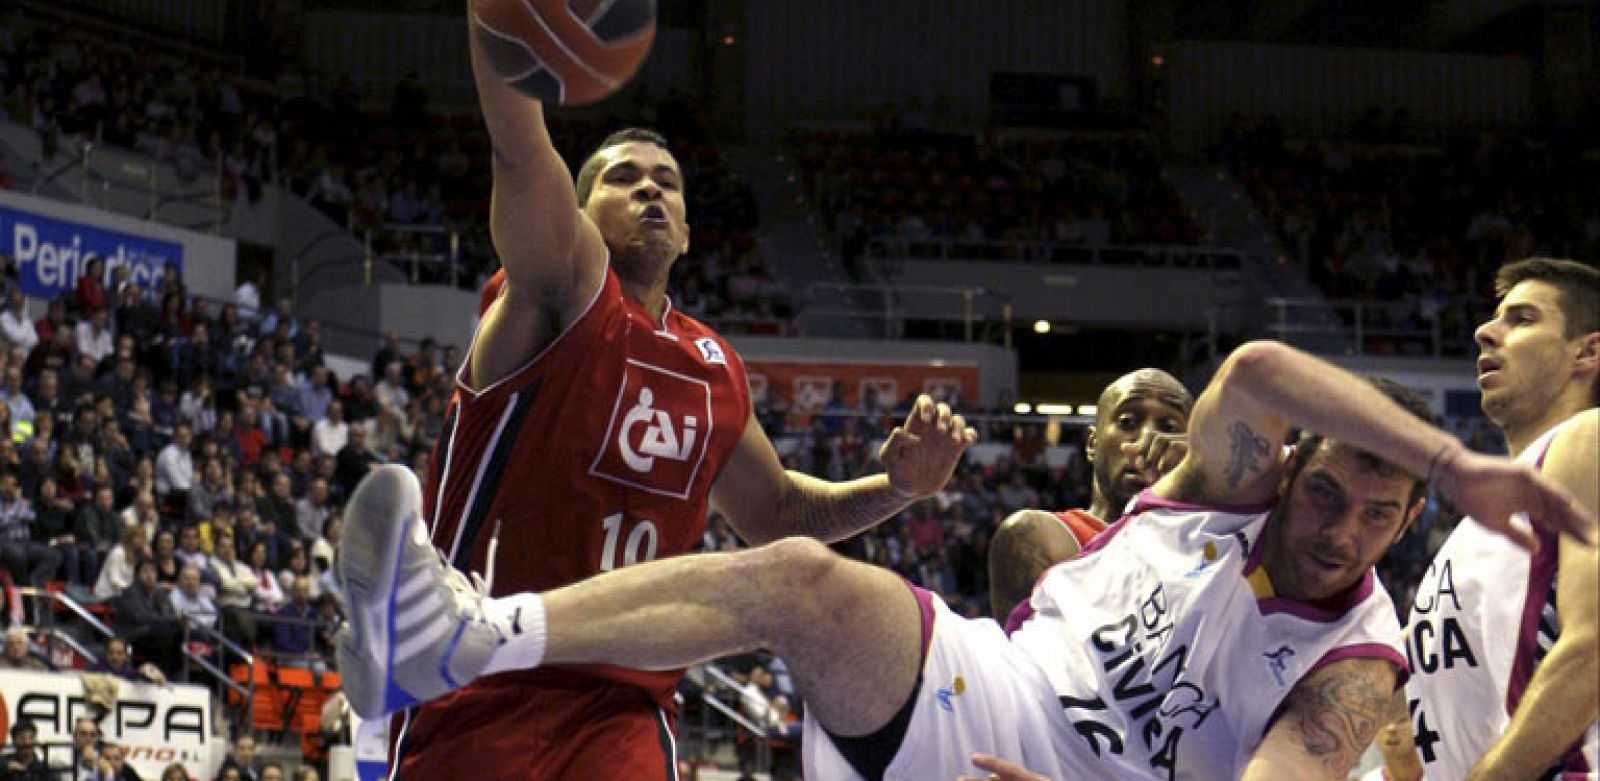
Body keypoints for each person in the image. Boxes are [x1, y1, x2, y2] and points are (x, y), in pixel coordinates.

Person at [335, 0, 980, 778]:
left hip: (623, 706)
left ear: (687, 228)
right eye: (623, 176)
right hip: (475, 686)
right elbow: (521, 146)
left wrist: (897, 487)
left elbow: (782, 514)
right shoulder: (553, 289)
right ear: (581, 207)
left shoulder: (714, 365)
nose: (650, 189)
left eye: (667, 182)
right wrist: (495, 9)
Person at [338, 339, 1595, 780]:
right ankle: (453, 636)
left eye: (1382, 520)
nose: (1344, 532)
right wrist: (1446, 460)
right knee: (802, 580)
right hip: (983, 684)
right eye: (1329, 493)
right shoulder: (1209, 484)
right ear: (1283, 467)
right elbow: (1259, 372)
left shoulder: (1359, 661)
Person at [1403, 257, 1599, 778]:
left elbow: (1593, 648)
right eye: (1496, 318)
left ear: (1588, 351)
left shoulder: (1587, 436)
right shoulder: (1479, 521)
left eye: (1523, 318)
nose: (1485, 332)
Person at [989, 369, 1192, 616]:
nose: (1147, 440)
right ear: (1092, 443)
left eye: (1169, 427)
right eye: (1128, 422)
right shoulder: (1040, 536)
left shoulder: (1215, 550)